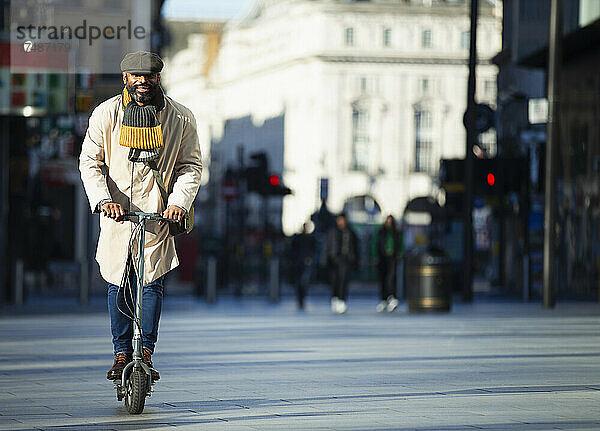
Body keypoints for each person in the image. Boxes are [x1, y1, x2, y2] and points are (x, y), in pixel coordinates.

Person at [79, 51, 202, 382]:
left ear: (158, 78)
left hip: (158, 214)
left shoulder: (181, 118)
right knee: (118, 281)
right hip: (118, 214)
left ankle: (145, 351)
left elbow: (191, 166)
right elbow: (90, 161)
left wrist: (179, 202)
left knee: (152, 282)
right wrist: (104, 200)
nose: (143, 82)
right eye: (137, 77)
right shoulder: (106, 114)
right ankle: (121, 353)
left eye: (149, 77)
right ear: (125, 79)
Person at [322, 213, 358, 314]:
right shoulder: (332, 232)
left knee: (344, 280)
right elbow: (327, 246)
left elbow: (355, 247)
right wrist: (324, 260)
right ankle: (335, 298)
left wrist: (355, 260)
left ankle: (342, 300)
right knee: (335, 281)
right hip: (334, 260)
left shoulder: (350, 232)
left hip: (346, 259)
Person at [376, 215, 403, 312]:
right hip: (382, 258)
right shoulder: (380, 232)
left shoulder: (396, 233)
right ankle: (383, 299)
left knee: (391, 278)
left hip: (392, 258)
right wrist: (375, 256)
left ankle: (392, 297)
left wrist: (400, 253)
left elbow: (401, 244)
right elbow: (375, 244)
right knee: (383, 279)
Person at [291, 222, 316, 309]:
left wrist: (310, 258)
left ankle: (302, 298)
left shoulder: (310, 238)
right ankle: (300, 299)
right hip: (298, 263)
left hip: (306, 263)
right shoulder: (298, 238)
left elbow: (313, 250)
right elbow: (293, 249)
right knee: (299, 282)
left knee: (304, 282)